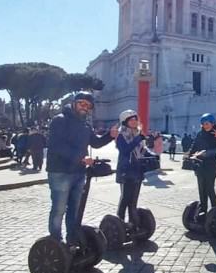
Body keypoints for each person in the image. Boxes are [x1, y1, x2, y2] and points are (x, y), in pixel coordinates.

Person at [46, 92, 116, 245]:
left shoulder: (85, 125)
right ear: (73, 103)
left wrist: (110, 135)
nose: (85, 107)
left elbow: (95, 143)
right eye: (81, 103)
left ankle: (72, 239)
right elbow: (56, 146)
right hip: (60, 172)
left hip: (79, 172)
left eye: (88, 105)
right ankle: (55, 242)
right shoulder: (60, 120)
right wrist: (80, 158)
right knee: (59, 209)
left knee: (75, 210)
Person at [186, 113, 216, 218]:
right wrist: (189, 155)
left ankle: (214, 210)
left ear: (212, 123)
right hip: (199, 165)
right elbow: (194, 146)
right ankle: (203, 210)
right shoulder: (200, 134)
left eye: (207, 123)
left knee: (210, 189)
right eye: (203, 124)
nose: (205, 125)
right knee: (201, 189)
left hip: (210, 166)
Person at [115, 110, 148, 227]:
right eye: (131, 120)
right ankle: (120, 224)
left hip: (137, 171)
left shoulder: (138, 134)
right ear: (125, 122)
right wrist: (138, 138)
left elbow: (142, 151)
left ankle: (134, 224)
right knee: (125, 199)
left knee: (133, 201)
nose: (134, 122)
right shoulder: (121, 135)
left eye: (135, 119)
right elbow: (125, 150)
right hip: (126, 171)